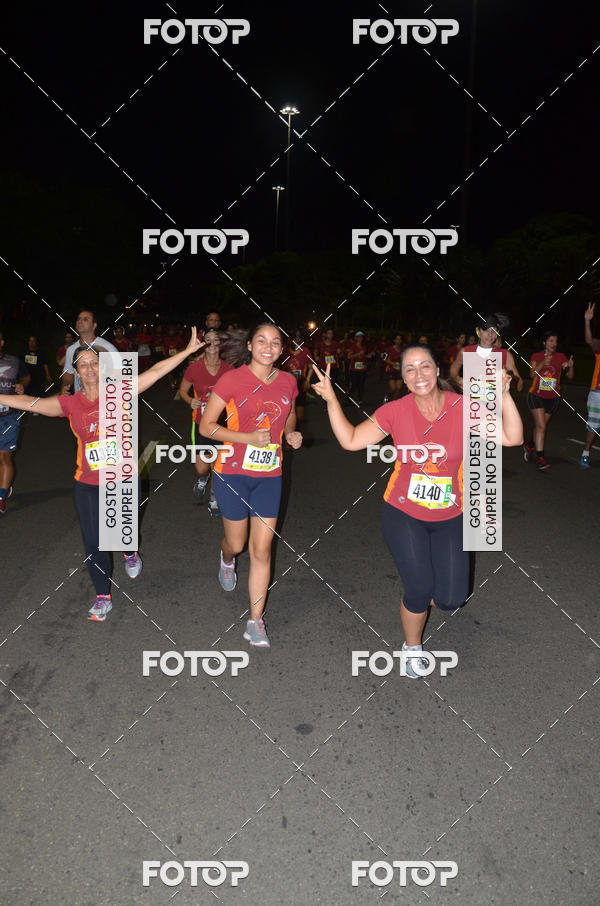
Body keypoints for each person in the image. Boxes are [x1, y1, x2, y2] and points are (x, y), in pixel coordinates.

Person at [310, 345, 523, 677]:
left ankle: (428, 592)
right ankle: (411, 647)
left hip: (451, 515)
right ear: (403, 376)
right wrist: (331, 399)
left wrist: (504, 394)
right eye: (410, 369)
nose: (418, 374)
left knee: (452, 599)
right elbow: (351, 440)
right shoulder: (395, 411)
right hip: (403, 513)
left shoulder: (463, 407)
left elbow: (512, 436)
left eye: (425, 366)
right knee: (419, 589)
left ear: (437, 370)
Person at [0, 329, 204, 618]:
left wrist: (186, 351)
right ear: (76, 372)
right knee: (94, 541)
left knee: (122, 532)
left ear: (102, 367)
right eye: (83, 365)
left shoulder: (119, 393)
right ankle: (102, 595)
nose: (90, 368)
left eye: (94, 363)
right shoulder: (69, 404)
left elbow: (157, 371)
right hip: (87, 482)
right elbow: (33, 403)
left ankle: (129, 549)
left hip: (123, 479)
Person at [199, 323, 303, 649]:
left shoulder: (288, 381)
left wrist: (289, 434)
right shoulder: (232, 379)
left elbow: (288, 416)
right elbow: (207, 426)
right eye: (262, 340)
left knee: (262, 550)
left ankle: (255, 621)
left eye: (275, 342)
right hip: (232, 473)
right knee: (238, 544)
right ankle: (226, 557)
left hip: (270, 475)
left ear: (282, 349)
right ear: (250, 344)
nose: (268, 347)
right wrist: (246, 438)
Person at [178, 328, 232, 512]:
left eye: (216, 340)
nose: (212, 344)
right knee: (201, 469)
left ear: (221, 344)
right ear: (203, 344)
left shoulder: (228, 369)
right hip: (200, 424)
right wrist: (190, 400)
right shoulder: (194, 368)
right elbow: (182, 391)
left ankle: (214, 498)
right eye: (207, 340)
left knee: (219, 465)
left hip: (222, 424)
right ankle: (203, 478)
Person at [523, 332, 574, 470]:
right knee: (541, 427)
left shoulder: (561, 357)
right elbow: (532, 374)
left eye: (555, 341)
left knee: (541, 427)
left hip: (552, 398)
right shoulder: (537, 356)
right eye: (551, 341)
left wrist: (570, 366)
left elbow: (570, 376)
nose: (554, 344)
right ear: (545, 342)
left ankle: (530, 445)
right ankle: (541, 458)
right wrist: (542, 364)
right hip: (536, 396)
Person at [450, 313, 523, 392]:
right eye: (485, 330)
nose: (490, 335)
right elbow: (454, 369)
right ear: (478, 331)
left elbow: (519, 386)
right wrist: (458, 380)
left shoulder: (505, 354)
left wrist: (508, 381)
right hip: (471, 401)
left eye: (494, 331)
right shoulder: (466, 351)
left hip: (496, 401)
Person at [0, 333, 30, 513]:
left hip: (9, 416)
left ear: (2, 342)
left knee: (4, 457)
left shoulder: (14, 361)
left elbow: (25, 378)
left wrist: (21, 385)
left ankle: (1, 496)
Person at [61, 310, 118, 394]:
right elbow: (68, 374)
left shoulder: (107, 347)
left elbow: (121, 372)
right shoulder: (71, 350)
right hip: (81, 401)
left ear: (94, 325)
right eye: (79, 319)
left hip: (102, 400)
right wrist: (64, 387)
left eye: (85, 319)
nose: (80, 321)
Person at [581, 302, 600, 468]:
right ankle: (585, 453)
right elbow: (589, 340)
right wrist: (588, 321)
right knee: (594, 424)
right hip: (597, 393)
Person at [281, 329, 311, 422]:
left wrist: (307, 380)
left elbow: (311, 366)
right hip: (286, 386)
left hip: (300, 384)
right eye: (295, 337)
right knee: (287, 413)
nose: (297, 340)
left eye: (299, 338)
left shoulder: (305, 351)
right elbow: (279, 367)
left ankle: (297, 429)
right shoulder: (285, 351)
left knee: (300, 416)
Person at [21, 336, 51, 401]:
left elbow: (45, 364)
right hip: (27, 376)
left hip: (38, 376)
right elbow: (20, 364)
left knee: (37, 393)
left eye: (33, 341)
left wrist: (48, 375)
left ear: (36, 342)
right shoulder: (24, 351)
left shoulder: (41, 352)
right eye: (30, 341)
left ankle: (37, 407)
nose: (31, 343)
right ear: (28, 342)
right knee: (27, 393)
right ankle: (27, 408)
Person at [346, 331, 369, 405]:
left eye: (361, 337)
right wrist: (358, 353)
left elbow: (363, 356)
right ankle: (348, 395)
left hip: (362, 369)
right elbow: (349, 357)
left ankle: (360, 400)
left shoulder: (364, 347)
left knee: (361, 384)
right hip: (353, 369)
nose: (360, 338)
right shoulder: (353, 347)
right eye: (358, 337)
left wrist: (367, 357)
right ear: (355, 338)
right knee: (354, 385)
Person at [384, 334, 404, 401]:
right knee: (393, 389)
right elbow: (384, 358)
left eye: (400, 339)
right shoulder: (389, 349)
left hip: (399, 371)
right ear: (394, 340)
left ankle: (392, 403)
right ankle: (386, 396)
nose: (399, 340)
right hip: (391, 370)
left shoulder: (403, 349)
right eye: (397, 339)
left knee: (398, 389)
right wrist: (392, 363)